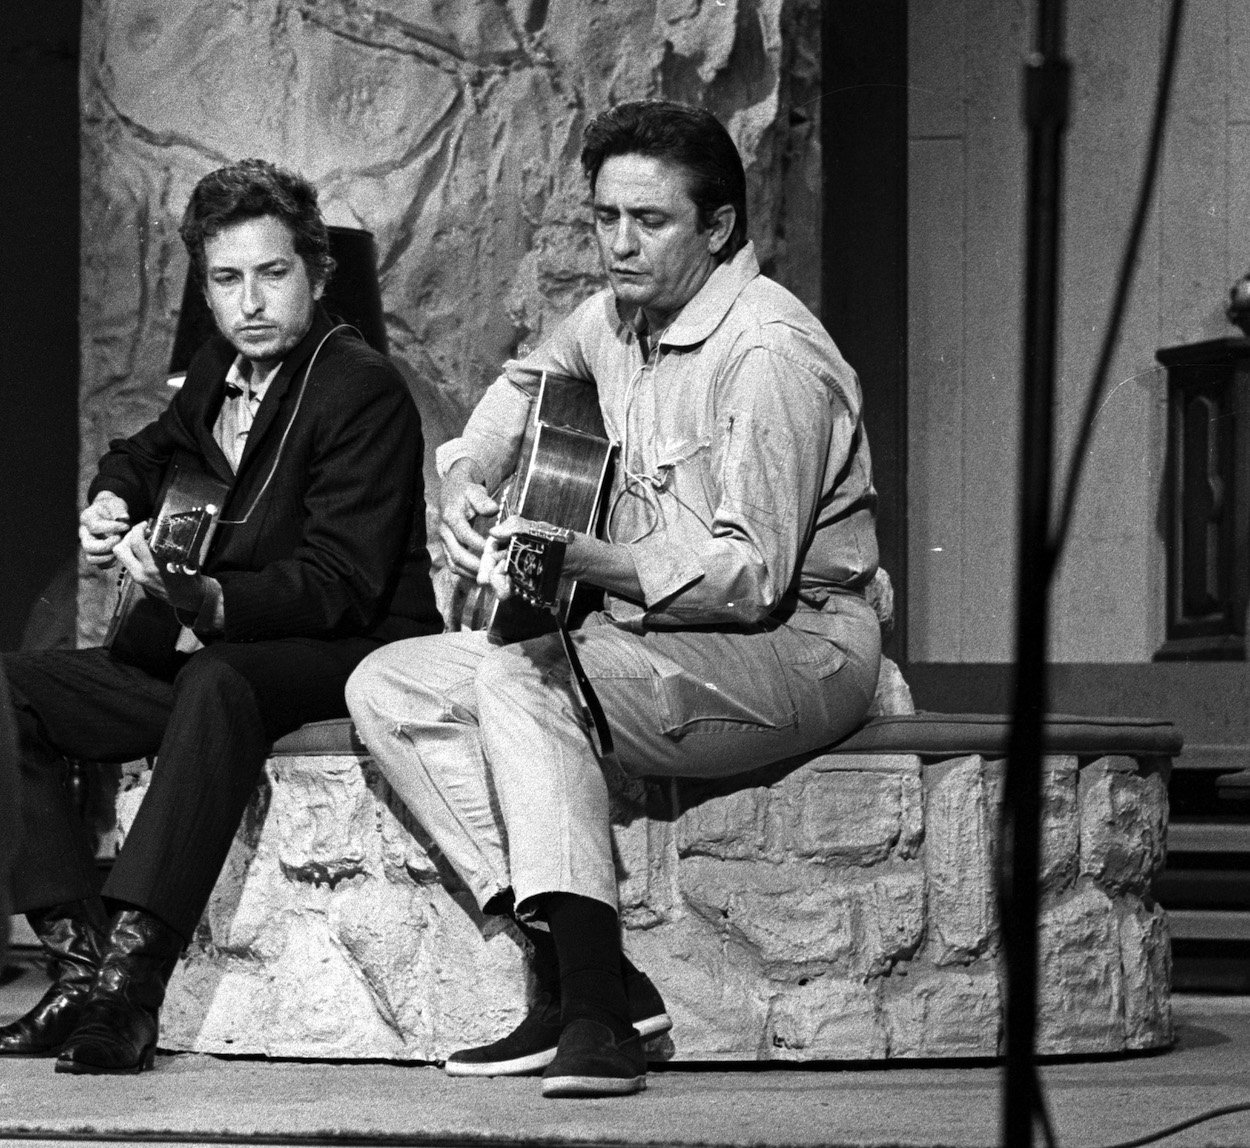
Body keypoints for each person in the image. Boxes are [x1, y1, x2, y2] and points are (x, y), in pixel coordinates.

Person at [346, 100, 881, 1098]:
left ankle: (595, 1014)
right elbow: (519, 384)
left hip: (797, 646)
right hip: (648, 640)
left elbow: (749, 575)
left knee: (520, 680)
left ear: (717, 226)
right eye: (604, 218)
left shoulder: (767, 353)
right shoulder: (614, 316)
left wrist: (582, 557)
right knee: (388, 683)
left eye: (650, 221)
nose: (619, 243)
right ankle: (583, 969)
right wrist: (465, 470)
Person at [0, 158, 442, 1075]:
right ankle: (79, 961)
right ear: (206, 289)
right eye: (227, 279)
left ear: (316, 276)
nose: (250, 301)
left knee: (218, 673)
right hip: (232, 657)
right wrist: (111, 501)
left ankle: (132, 984)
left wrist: (204, 599)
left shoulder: (361, 388)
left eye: (271, 275)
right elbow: (144, 448)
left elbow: (340, 583)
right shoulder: (216, 369)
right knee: (15, 688)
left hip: (354, 650)